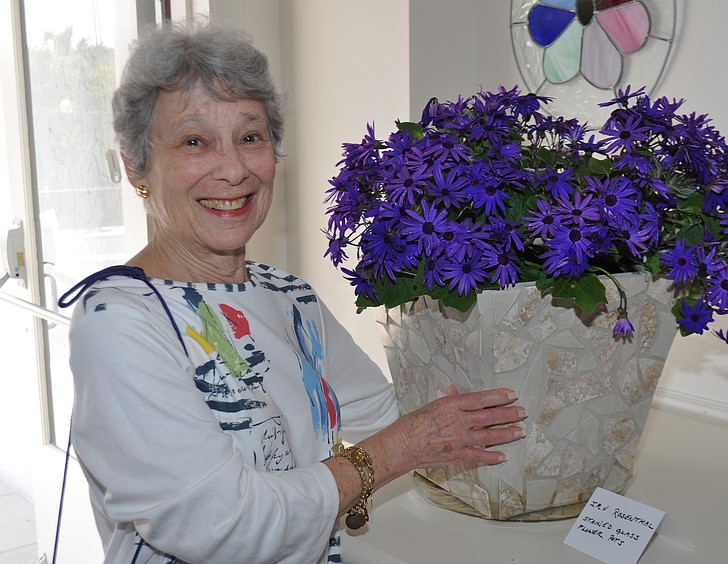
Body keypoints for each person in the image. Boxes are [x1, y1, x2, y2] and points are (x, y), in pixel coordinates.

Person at [58, 21, 527, 564]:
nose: (233, 169)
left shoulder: (288, 295)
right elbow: (224, 527)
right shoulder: (118, 320)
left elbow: (388, 411)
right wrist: (397, 450)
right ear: (136, 166)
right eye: (194, 141)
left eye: (250, 137)